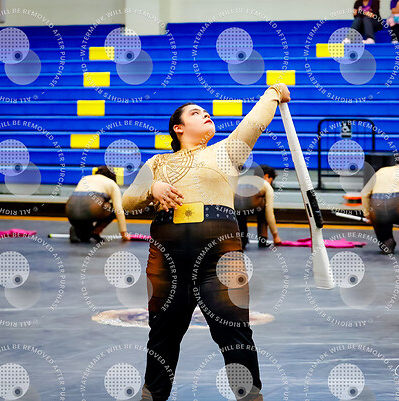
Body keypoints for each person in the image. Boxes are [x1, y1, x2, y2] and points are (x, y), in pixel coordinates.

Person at [122, 83, 291, 401]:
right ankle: (151, 397)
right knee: (162, 335)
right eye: (196, 113)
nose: (206, 114)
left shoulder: (226, 151)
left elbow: (255, 122)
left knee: (235, 333)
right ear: (178, 128)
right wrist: (153, 188)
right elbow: (128, 201)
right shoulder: (157, 163)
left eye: (207, 111)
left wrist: (273, 92)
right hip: (167, 260)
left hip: (219, 257)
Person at [65, 165, 130, 243]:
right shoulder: (111, 183)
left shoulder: (85, 178)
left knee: (85, 237)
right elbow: (118, 210)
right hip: (90, 209)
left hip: (71, 211)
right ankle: (95, 231)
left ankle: (77, 227)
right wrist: (124, 233)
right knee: (111, 208)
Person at [234, 164, 282, 249]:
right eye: (271, 180)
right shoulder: (265, 184)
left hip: (235, 206)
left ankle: (242, 240)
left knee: (240, 213)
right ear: (266, 176)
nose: (271, 183)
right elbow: (269, 213)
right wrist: (275, 236)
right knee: (264, 209)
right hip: (252, 205)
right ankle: (262, 239)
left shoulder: (242, 179)